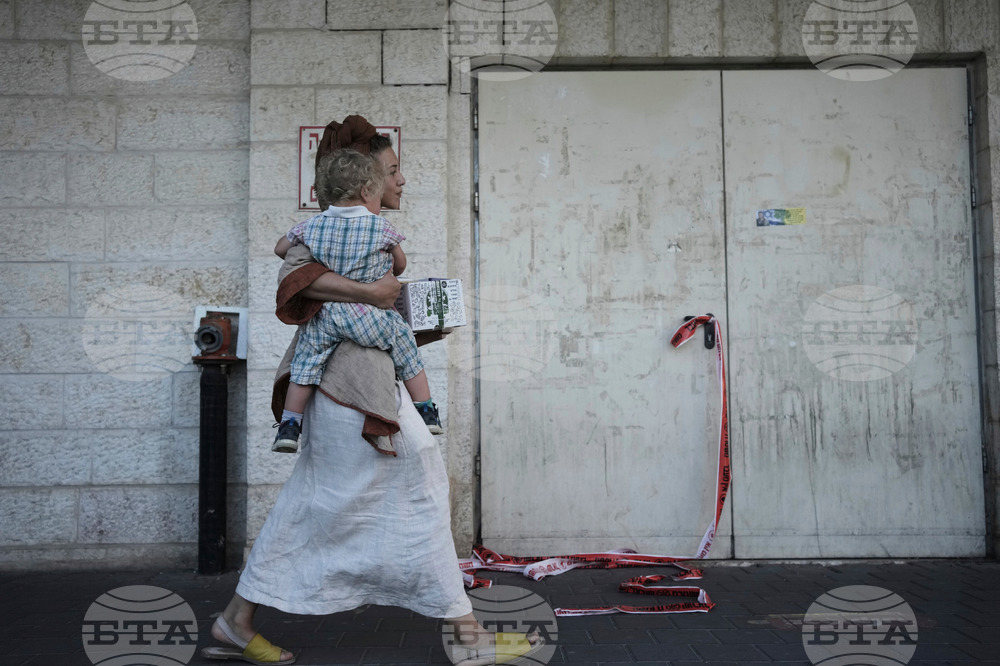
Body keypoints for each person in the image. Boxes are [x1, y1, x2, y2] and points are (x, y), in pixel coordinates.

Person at [201, 115, 544, 665]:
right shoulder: (323, 231)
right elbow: (297, 279)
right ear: (366, 182)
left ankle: (236, 620)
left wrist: (420, 307)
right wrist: (372, 292)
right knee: (405, 473)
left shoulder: (360, 236)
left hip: (360, 382)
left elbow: (369, 298)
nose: (402, 181)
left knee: (328, 495)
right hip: (340, 385)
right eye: (394, 171)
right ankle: (465, 637)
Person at [271, 149, 442, 454]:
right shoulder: (382, 228)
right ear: (366, 192)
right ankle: (426, 409)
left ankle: (289, 427)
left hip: (326, 317)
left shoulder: (312, 226)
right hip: (369, 317)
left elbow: (281, 249)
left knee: (305, 366)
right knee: (405, 347)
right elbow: (399, 265)